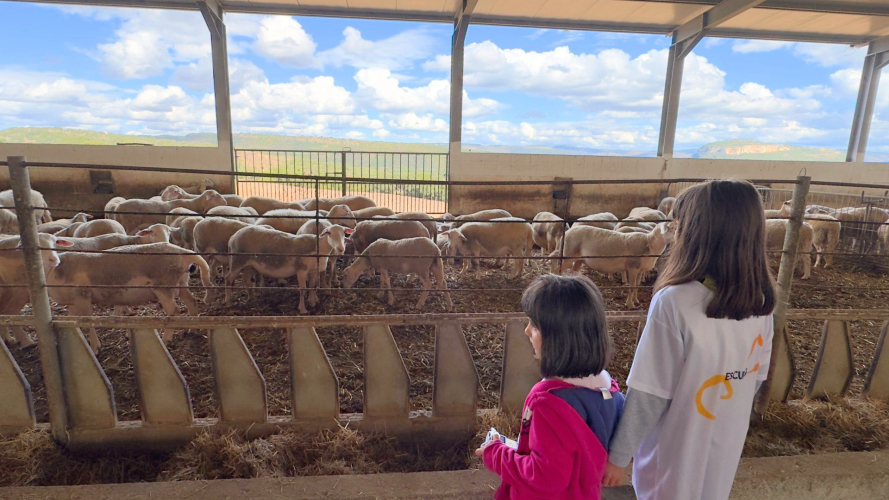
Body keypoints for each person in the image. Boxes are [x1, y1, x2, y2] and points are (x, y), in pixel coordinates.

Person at [603, 179, 776, 499]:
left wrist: (617, 456)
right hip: (722, 453)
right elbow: (752, 382)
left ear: (697, 233)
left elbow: (649, 393)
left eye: (680, 223)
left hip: (674, 459)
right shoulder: (761, 307)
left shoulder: (675, 301)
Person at [477, 274, 624, 499]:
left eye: (534, 326)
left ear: (558, 338)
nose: (527, 331)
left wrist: (495, 453)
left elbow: (546, 475)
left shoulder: (549, 403)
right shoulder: (607, 388)